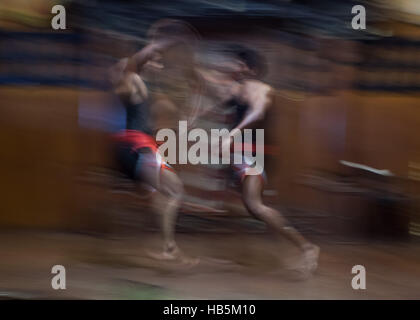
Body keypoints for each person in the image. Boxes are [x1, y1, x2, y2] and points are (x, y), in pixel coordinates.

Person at [194, 44, 320, 275]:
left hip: (256, 153)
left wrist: (231, 135)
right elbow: (214, 91)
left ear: (249, 68)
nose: (233, 67)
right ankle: (241, 254)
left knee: (255, 206)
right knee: (239, 207)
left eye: (237, 63)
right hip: (238, 153)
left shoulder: (262, 90)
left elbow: (257, 114)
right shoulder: (236, 90)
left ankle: (307, 248)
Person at [109, 21, 196, 263]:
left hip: (137, 147)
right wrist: (163, 42)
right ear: (146, 58)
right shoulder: (133, 78)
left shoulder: (144, 86)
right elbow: (127, 68)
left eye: (160, 59)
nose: (159, 63)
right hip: (135, 147)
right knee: (176, 191)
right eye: (155, 59)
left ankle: (169, 247)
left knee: (162, 196)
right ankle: (169, 249)